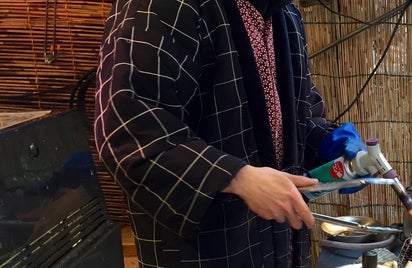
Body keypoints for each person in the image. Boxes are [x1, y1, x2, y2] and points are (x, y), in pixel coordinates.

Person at [94, 0, 366, 267]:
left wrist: (328, 145)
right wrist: (236, 177)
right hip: (203, 250)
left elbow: (301, 115)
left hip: (283, 245)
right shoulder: (162, 7)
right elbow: (128, 129)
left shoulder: (285, 14)